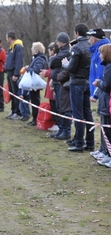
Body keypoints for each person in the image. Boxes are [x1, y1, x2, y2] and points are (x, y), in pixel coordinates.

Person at [62, 23, 94, 152]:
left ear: (77, 33)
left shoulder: (77, 48)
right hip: (87, 83)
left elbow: (71, 68)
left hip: (77, 84)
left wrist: (65, 63)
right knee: (88, 113)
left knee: (78, 114)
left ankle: (79, 143)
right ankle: (90, 142)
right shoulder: (90, 46)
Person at [86, 29, 111, 161]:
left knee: (107, 127)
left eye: (90, 37)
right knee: (103, 124)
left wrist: (95, 91)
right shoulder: (96, 52)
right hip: (101, 95)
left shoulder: (107, 65)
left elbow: (104, 81)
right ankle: (103, 149)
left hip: (104, 96)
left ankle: (108, 152)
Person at [49, 32, 72, 140]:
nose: (57, 43)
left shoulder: (66, 52)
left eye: (58, 41)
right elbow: (52, 62)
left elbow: (53, 61)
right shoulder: (61, 52)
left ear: (62, 42)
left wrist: (54, 59)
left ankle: (66, 131)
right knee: (59, 107)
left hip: (62, 83)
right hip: (57, 82)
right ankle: (61, 129)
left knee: (64, 108)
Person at [20, 42, 48, 125]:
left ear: (36, 50)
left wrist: (28, 69)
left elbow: (36, 70)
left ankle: (36, 119)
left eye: (32, 48)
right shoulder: (35, 58)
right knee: (33, 101)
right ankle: (34, 118)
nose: (31, 50)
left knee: (35, 101)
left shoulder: (39, 59)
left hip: (36, 84)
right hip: (33, 83)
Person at [93, 43, 111, 167]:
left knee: (108, 130)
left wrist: (98, 83)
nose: (99, 56)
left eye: (101, 53)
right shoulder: (106, 67)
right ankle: (105, 152)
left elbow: (107, 85)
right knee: (105, 129)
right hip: (104, 101)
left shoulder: (109, 68)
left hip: (107, 102)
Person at [40, 42, 59, 132]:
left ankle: (58, 124)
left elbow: (55, 72)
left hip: (54, 87)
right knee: (52, 105)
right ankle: (56, 123)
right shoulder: (52, 59)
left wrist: (46, 73)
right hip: (51, 85)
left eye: (49, 50)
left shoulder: (56, 59)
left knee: (55, 106)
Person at [4, 31, 24, 120]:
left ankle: (18, 112)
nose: (6, 39)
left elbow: (18, 61)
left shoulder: (18, 46)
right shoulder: (11, 47)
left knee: (16, 93)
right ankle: (13, 110)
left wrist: (16, 74)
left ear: (9, 38)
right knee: (11, 92)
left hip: (14, 73)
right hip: (9, 72)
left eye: (6, 37)